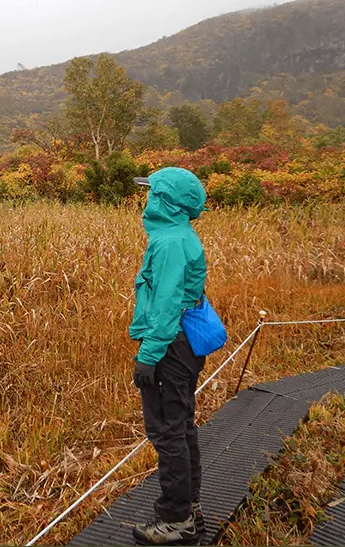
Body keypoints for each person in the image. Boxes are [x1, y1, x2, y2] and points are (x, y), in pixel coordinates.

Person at [129, 167, 209, 546]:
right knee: (181, 426)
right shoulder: (178, 235)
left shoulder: (170, 243)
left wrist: (148, 356)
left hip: (170, 346)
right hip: (182, 344)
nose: (146, 198)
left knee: (167, 431)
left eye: (152, 192)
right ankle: (189, 509)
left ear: (165, 200)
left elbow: (165, 306)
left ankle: (177, 520)